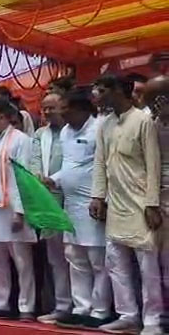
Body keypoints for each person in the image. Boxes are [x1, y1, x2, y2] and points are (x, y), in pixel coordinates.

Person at [91, 74, 163, 335]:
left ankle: (152, 320)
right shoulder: (105, 124)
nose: (98, 95)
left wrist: (151, 204)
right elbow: (100, 162)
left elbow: (153, 164)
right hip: (116, 204)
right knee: (115, 263)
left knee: (147, 266)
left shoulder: (143, 120)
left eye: (103, 90)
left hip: (141, 203)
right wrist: (97, 196)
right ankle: (128, 316)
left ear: (120, 90)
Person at [46, 89, 112, 330]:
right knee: (74, 257)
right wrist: (53, 179)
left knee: (98, 259)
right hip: (70, 204)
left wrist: (101, 197)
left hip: (94, 204)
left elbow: (105, 166)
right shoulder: (65, 132)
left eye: (66, 109)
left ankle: (101, 311)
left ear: (82, 109)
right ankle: (81, 308)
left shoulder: (100, 128)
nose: (62, 113)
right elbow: (70, 166)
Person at [0, 98, 37, 320]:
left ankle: (26, 307)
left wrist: (20, 211)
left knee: (22, 262)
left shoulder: (21, 140)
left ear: (2, 116)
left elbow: (24, 177)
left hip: (13, 209)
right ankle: (0, 303)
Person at [31, 92, 72, 324]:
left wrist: (55, 179)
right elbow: (35, 161)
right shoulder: (40, 134)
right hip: (49, 199)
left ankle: (85, 307)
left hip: (74, 197)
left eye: (51, 107)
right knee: (56, 257)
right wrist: (39, 178)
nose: (47, 112)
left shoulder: (73, 130)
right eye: (44, 108)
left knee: (79, 256)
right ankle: (62, 305)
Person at [144, 75, 169, 329]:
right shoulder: (152, 122)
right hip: (158, 199)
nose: (148, 104)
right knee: (161, 260)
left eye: (152, 99)